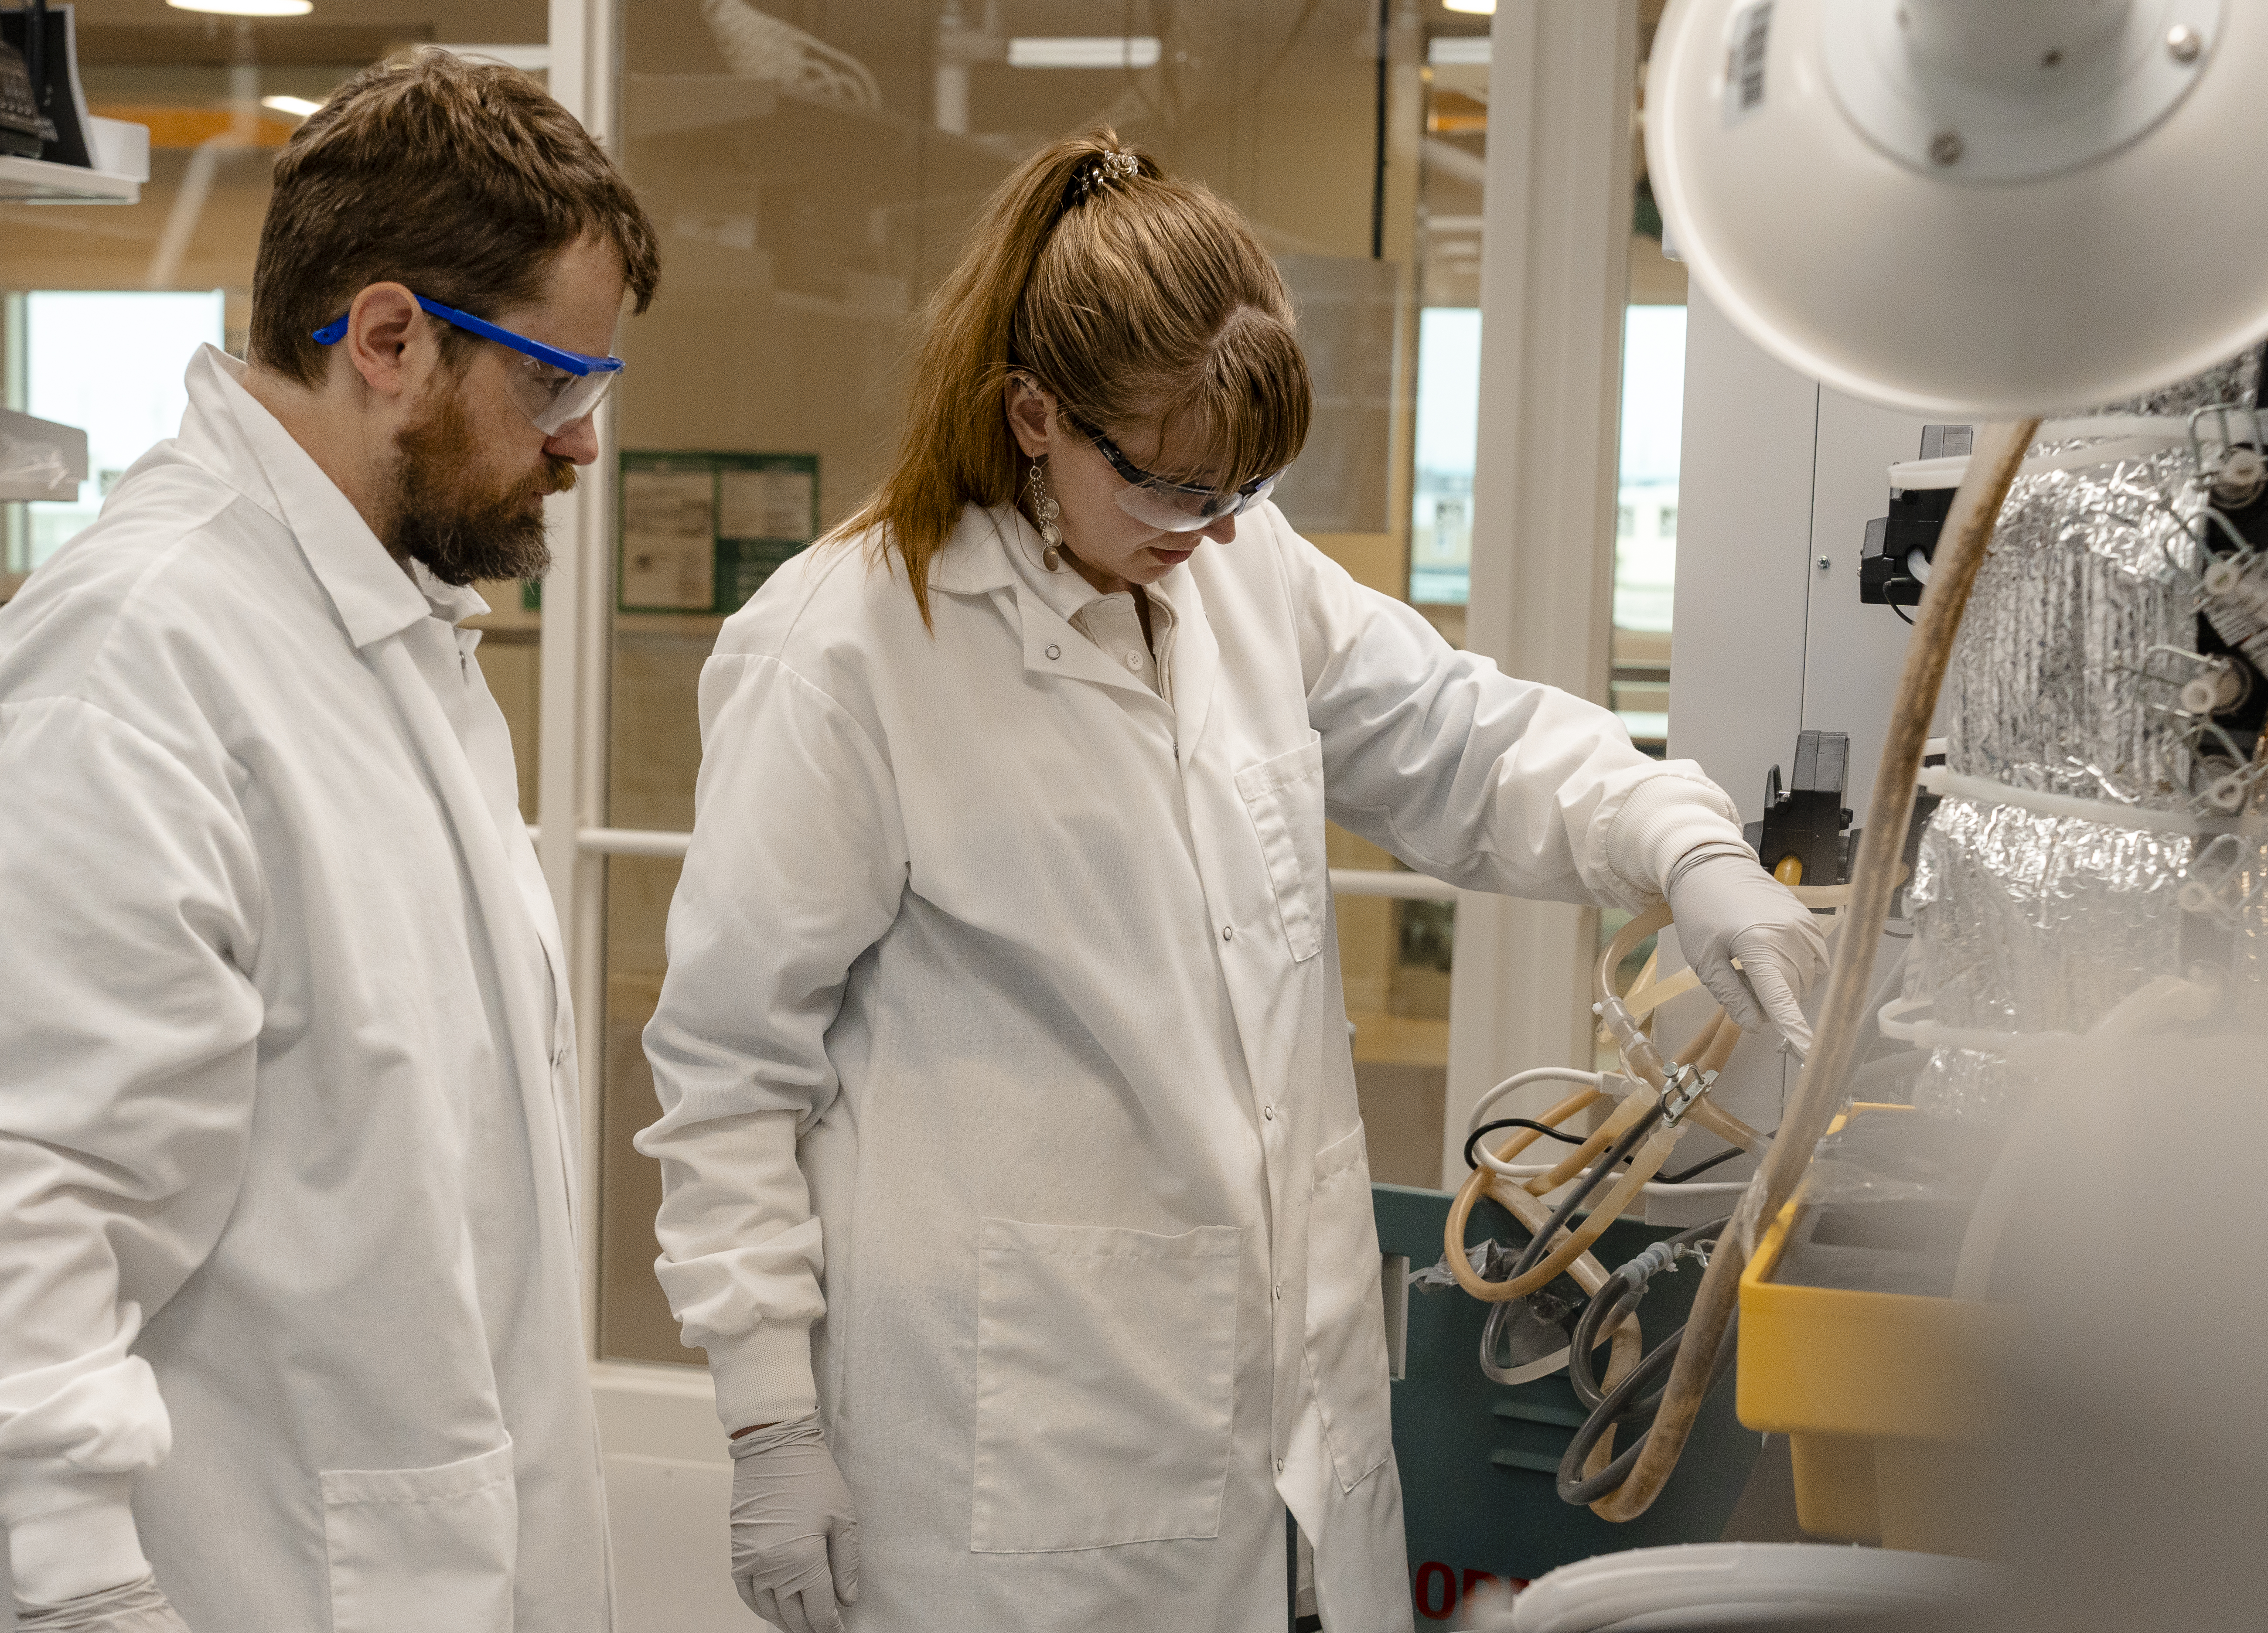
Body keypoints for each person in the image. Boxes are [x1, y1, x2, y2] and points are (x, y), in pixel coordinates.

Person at [637, 131, 1824, 1633]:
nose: (1211, 529)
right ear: (1033, 418)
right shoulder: (848, 650)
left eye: (1245, 490)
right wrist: (767, 1416)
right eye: (1175, 487)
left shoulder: (1232, 569)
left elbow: (1462, 738)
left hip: (1290, 1448)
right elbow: (731, 1069)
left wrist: (1684, 845)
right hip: (1014, 1466)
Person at [0, 51, 658, 1633]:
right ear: (386, 338)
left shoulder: (394, 638)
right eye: (555, 386)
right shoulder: (144, 655)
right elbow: (32, 1197)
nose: (578, 448)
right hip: (247, 1579)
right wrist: (84, 1598)